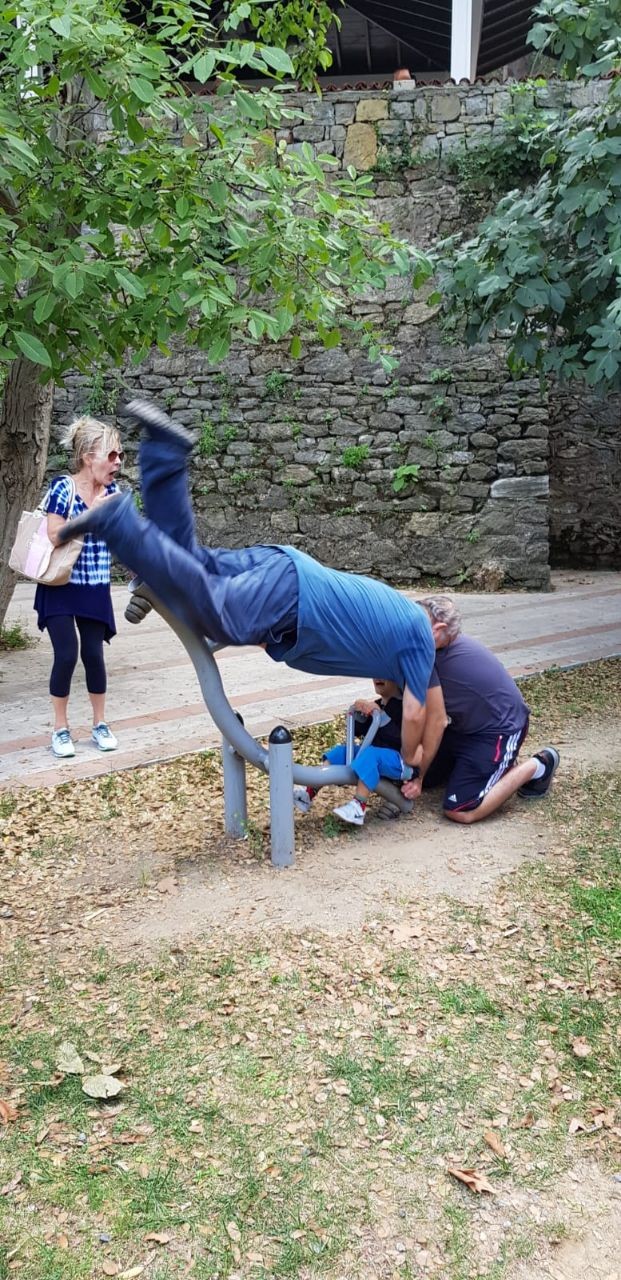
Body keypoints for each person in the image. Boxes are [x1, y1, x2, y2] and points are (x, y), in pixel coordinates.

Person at [59, 399, 435, 765]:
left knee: (190, 559)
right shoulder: (420, 641)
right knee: (220, 614)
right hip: (295, 596)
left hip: (285, 569)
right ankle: (118, 524)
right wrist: (409, 762)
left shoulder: (395, 624)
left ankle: (165, 453)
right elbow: (420, 714)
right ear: (436, 625)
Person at [400, 595, 560, 824]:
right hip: (462, 727)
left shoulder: (429, 655)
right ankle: (491, 770)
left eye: (418, 622)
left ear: (438, 629)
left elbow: (437, 720)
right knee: (427, 774)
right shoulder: (425, 651)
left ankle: (539, 765)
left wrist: (420, 778)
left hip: (498, 731)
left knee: (460, 809)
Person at [35, 416, 122, 759]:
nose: (117, 462)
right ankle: (60, 728)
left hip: (95, 585)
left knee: (94, 656)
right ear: (89, 456)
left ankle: (100, 724)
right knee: (67, 654)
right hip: (60, 583)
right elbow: (55, 535)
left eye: (120, 456)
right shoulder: (63, 488)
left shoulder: (114, 493)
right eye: (111, 455)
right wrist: (89, 515)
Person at [294, 678, 417, 826]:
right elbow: (360, 731)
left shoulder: (405, 706)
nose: (377, 678)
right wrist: (360, 715)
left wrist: (380, 716)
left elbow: (400, 738)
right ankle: (309, 791)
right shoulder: (378, 704)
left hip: (401, 761)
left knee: (371, 754)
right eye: (375, 674)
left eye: (383, 674)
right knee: (341, 752)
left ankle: (359, 806)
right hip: (377, 756)